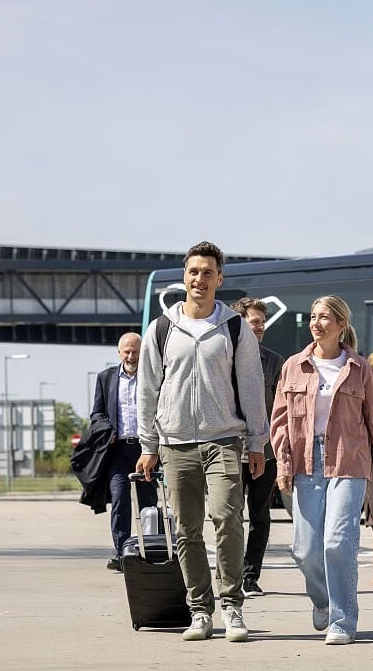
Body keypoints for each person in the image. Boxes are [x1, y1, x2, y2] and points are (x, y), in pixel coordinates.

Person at [135, 241, 269, 643]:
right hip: (175, 443)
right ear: (184, 276)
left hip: (223, 440)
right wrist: (148, 444)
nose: (199, 278)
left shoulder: (234, 326)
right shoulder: (161, 329)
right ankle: (200, 611)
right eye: (193, 271)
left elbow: (251, 386)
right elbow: (148, 390)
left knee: (228, 518)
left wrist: (257, 442)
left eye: (208, 272)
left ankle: (232, 605)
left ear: (219, 278)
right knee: (186, 531)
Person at [271, 296, 373, 645]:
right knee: (305, 549)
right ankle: (322, 600)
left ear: (341, 325)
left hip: (349, 460)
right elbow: (281, 422)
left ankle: (342, 620)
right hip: (305, 461)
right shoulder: (294, 366)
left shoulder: (359, 369)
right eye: (313, 317)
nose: (317, 323)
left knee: (337, 543)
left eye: (325, 317)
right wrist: (283, 464)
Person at [229, 297, 285, 598]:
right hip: (230, 451)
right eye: (255, 322)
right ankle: (231, 575)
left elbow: (281, 409)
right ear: (241, 323)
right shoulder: (223, 358)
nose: (261, 326)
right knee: (230, 515)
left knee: (260, 517)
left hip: (265, 452)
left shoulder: (274, 361)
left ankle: (250, 577)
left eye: (263, 322)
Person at [91, 332, 156, 571]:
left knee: (149, 503)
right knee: (120, 500)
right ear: (119, 353)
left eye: (135, 351)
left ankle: (150, 549)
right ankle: (121, 553)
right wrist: (106, 428)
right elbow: (96, 414)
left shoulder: (152, 376)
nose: (131, 356)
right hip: (118, 450)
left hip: (146, 449)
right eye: (126, 351)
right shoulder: (105, 378)